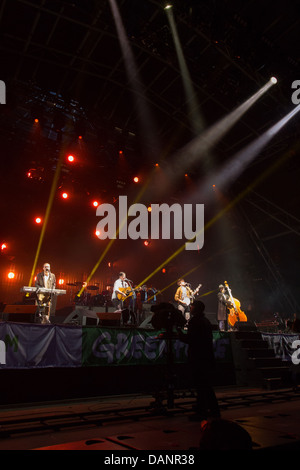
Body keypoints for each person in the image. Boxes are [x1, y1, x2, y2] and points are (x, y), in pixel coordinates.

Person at [179, 300, 220, 422]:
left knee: (201, 386)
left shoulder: (195, 321)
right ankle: (213, 411)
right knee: (206, 386)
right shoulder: (206, 321)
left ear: (196, 308)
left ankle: (202, 412)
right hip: (207, 357)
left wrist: (179, 333)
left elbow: (191, 339)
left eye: (192, 306)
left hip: (198, 358)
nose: (190, 308)